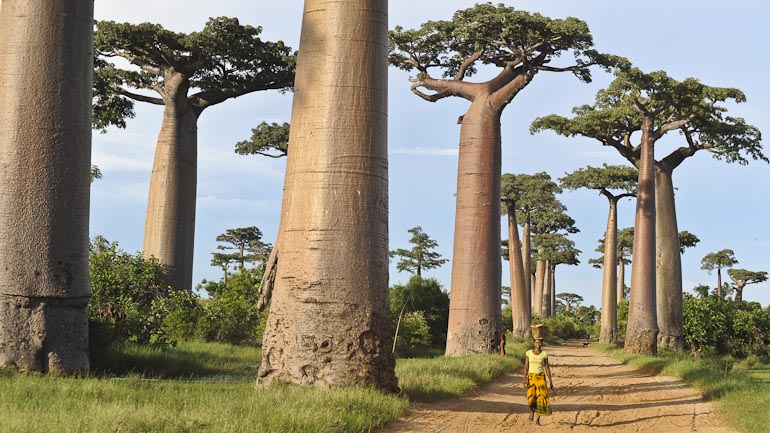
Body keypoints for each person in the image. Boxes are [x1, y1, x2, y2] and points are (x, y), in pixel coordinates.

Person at [523, 338, 554, 425]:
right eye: (537, 342)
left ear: (542, 344)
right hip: (531, 378)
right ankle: (532, 411)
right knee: (530, 399)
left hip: (541, 378)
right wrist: (524, 378)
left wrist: (550, 381)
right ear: (534, 343)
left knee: (541, 399)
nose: (538, 344)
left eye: (540, 343)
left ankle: (537, 420)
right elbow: (526, 366)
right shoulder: (528, 353)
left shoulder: (544, 354)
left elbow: (547, 367)